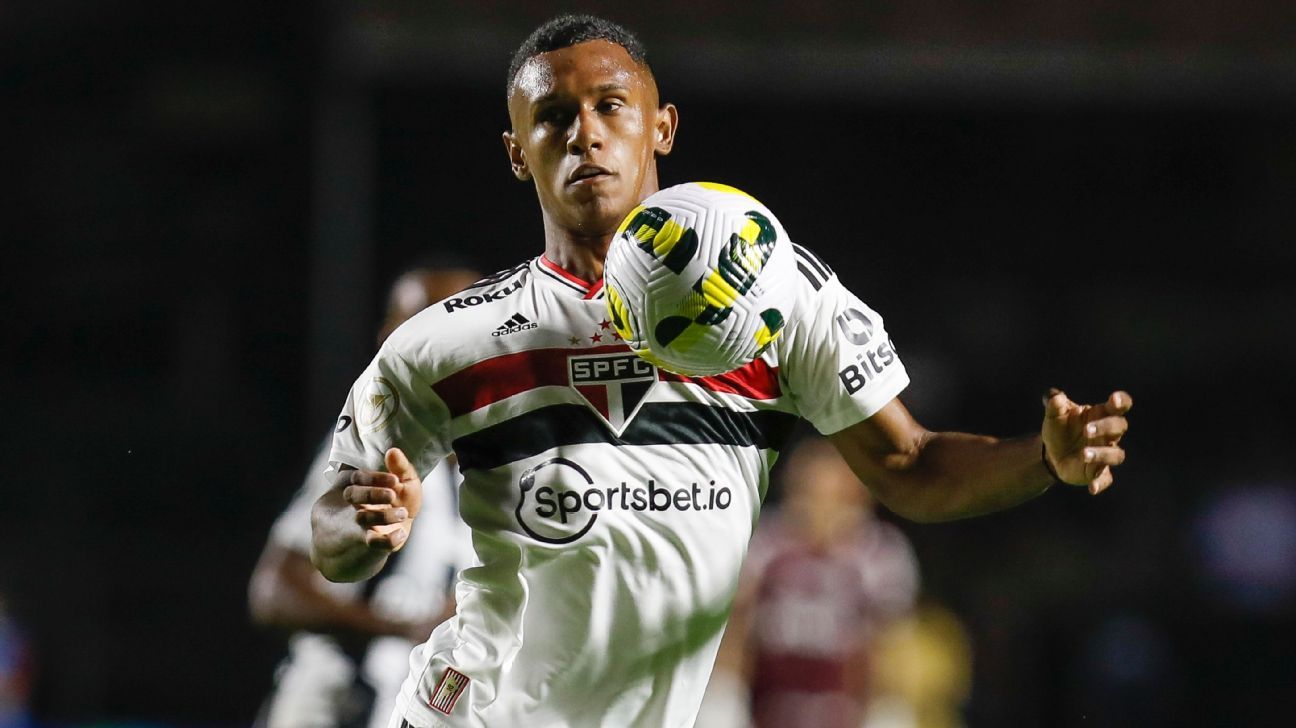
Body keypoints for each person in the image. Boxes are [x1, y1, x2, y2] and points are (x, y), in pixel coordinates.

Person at [309, 14, 1133, 728]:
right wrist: (365, 526)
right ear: (518, 152)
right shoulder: (450, 341)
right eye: (553, 117)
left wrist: (1040, 459)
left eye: (610, 107)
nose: (585, 134)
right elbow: (331, 539)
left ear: (661, 127)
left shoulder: (777, 296)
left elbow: (910, 468)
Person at [250, 264, 480, 728]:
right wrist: (399, 629)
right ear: (388, 340)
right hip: (335, 702)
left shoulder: (518, 459)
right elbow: (274, 591)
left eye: (453, 327)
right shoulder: (373, 449)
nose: (437, 347)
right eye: (418, 327)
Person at [711, 436, 921, 728]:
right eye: (807, 495)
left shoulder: (879, 554)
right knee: (717, 704)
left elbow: (889, 654)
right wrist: (727, 699)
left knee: (893, 717)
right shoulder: (765, 544)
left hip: (843, 708)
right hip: (769, 704)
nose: (817, 510)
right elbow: (733, 634)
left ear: (858, 498)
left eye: (832, 498)